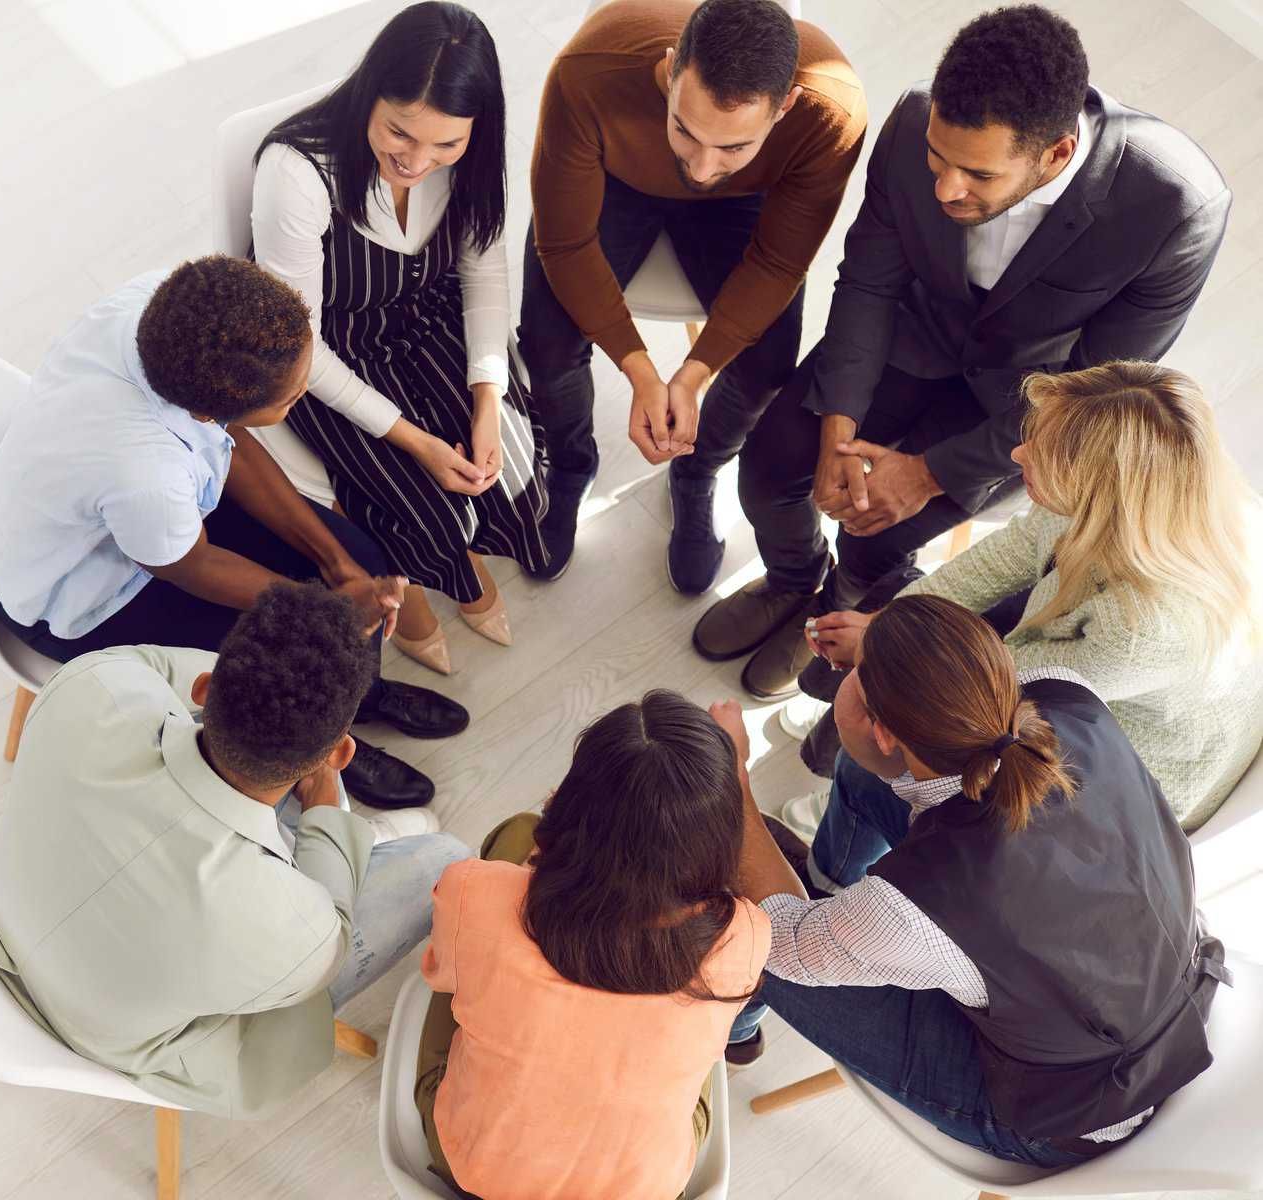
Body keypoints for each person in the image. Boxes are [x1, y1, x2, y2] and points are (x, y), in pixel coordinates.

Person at [694, 6, 1231, 699]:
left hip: (1028, 402)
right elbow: (868, 280)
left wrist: (928, 474)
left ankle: (840, 605)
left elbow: (1093, 398)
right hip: (908, 337)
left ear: (1057, 154)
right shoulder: (915, 115)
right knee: (769, 465)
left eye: (976, 176)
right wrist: (839, 427)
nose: (947, 188)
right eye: (937, 162)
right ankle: (790, 581)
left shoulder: (1177, 206)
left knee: (877, 539)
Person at [728, 595, 1226, 1168]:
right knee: (864, 784)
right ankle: (831, 891)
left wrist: (735, 782)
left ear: (884, 731)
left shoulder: (918, 903)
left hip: (1071, 1107)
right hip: (1161, 985)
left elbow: (782, 941)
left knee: (739, 921)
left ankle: (735, 1029)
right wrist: (895, 653)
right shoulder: (1064, 695)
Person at [0, 257, 469, 807]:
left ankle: (360, 695)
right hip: (76, 590)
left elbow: (230, 448)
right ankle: (320, 753)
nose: (302, 394)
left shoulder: (165, 313)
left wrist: (337, 565)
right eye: (291, 398)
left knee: (358, 555)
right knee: (290, 661)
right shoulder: (144, 473)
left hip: (129, 518)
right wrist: (323, 611)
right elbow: (193, 565)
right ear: (211, 410)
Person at [0, 583, 474, 1120]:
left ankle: (351, 834)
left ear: (207, 686)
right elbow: (330, 931)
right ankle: (358, 836)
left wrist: (256, 690)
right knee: (441, 860)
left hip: (5, 924)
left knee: (251, 787)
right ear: (342, 752)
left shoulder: (95, 685)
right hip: (120, 1040)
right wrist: (326, 807)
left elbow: (155, 669)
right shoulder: (293, 933)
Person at [797, 363, 1263, 829]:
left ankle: (838, 859)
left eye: (1045, 452)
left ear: (1098, 491)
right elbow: (1001, 560)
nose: (1019, 453)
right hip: (1075, 672)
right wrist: (886, 623)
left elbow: (1007, 691)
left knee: (864, 774)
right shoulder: (1151, 496)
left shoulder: (1144, 629)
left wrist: (885, 651)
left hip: (1119, 794)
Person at [247, 1, 555, 675]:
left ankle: (459, 555)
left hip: (429, 313)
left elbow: (482, 274)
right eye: (399, 134)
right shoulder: (297, 174)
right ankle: (426, 587)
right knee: (429, 509)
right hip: (330, 350)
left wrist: (484, 397)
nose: (418, 162)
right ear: (369, 97)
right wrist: (411, 438)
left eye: (446, 145)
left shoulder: (469, 153)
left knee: (513, 470)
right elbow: (299, 344)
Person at [517, 0, 866, 590]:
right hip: (615, 178)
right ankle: (570, 464)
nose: (702, 168)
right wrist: (641, 369)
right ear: (672, 67)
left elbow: (779, 261)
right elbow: (565, 244)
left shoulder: (830, 109)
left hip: (743, 202)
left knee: (768, 363)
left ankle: (698, 468)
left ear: (782, 108)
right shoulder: (586, 72)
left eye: (733, 145)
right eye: (684, 128)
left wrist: (694, 374)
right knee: (547, 341)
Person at [414, 691, 769, 1200]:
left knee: (506, 853)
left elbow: (441, 976)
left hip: (477, 1166)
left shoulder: (476, 891)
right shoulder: (746, 935)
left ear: (570, 801)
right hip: (649, 1187)